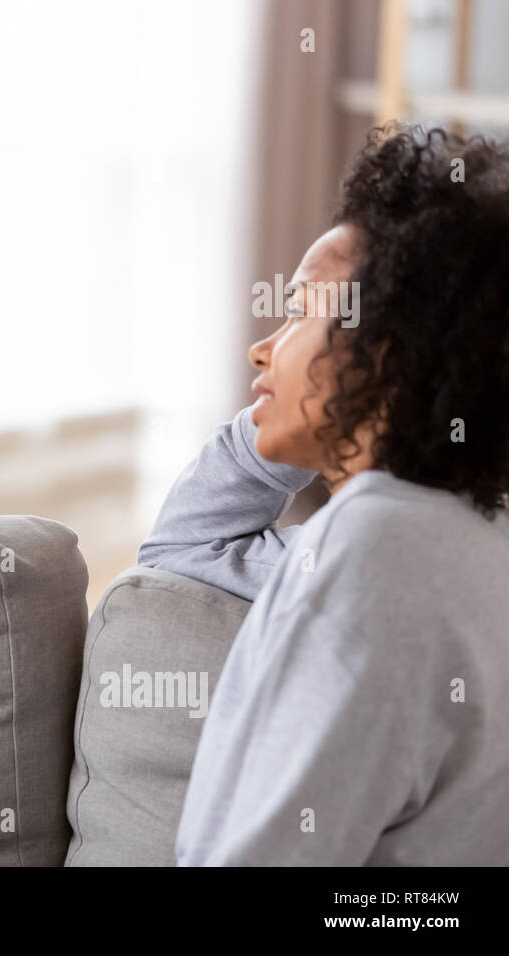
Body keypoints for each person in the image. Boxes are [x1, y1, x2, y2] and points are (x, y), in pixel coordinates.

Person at [139, 125, 509, 864]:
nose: (263, 346)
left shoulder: (375, 551)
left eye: (304, 307)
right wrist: (308, 414)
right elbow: (180, 548)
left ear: (389, 346)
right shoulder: (464, 538)